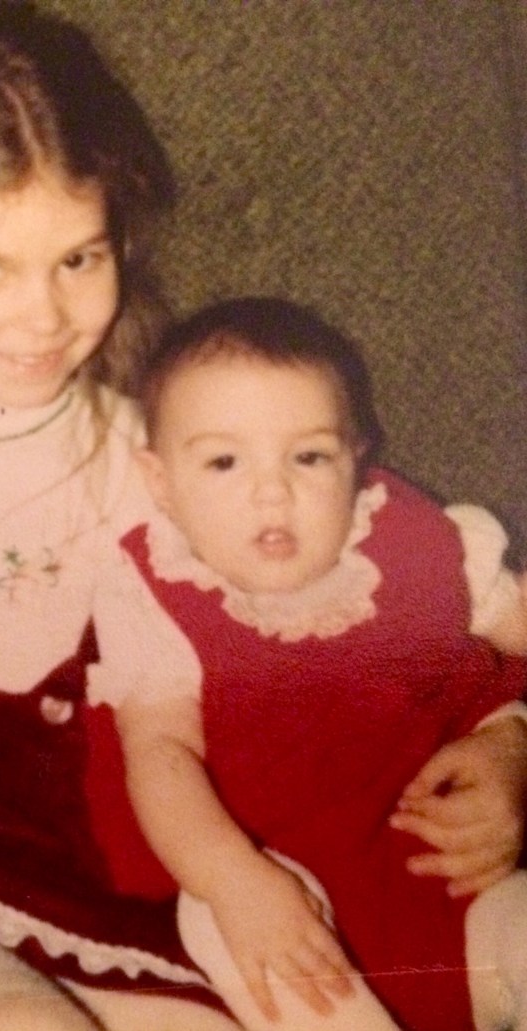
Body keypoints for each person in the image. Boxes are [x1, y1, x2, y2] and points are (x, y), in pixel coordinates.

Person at [0, 1, 524, 1027]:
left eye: (79, 259)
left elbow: (399, 608)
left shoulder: (180, 455)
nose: (44, 315)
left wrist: (509, 743)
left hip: (139, 905)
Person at [86, 296, 527, 1031]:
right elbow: (159, 752)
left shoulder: (419, 539)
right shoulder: (155, 589)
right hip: (274, 894)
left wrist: (514, 740)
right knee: (211, 910)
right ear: (160, 482)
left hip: (447, 887)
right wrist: (234, 878)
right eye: (224, 460)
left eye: (309, 456)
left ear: (356, 458)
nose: (272, 491)